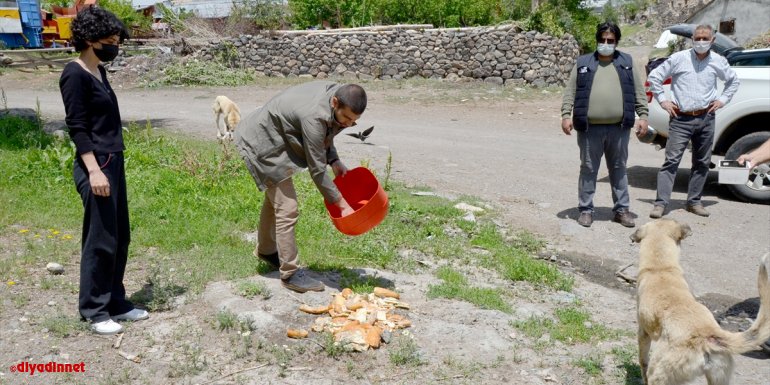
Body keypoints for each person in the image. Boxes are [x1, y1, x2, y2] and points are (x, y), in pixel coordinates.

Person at [59, 6, 148, 335]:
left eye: (117, 40)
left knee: (119, 234)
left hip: (114, 160)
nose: (115, 46)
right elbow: (78, 128)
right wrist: (94, 171)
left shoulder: (99, 71)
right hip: (96, 164)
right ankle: (94, 310)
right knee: (100, 239)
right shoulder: (74, 73)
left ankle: (116, 302)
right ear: (89, 39)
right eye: (110, 40)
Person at [235, 81, 366, 293]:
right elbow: (316, 169)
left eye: (354, 121)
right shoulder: (314, 116)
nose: (349, 125)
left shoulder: (335, 99)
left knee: (276, 200)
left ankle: (267, 250)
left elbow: (328, 129)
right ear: (335, 103)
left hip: (277, 137)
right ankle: (290, 274)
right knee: (288, 208)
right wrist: (340, 202)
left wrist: (334, 160)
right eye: (347, 118)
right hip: (263, 143)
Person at [561, 21, 649, 228]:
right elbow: (570, 91)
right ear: (597, 41)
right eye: (602, 40)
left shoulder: (626, 62)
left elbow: (639, 91)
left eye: (610, 40)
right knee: (589, 168)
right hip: (589, 128)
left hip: (619, 128)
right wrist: (566, 114)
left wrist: (643, 115)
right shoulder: (583, 62)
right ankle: (586, 210)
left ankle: (621, 210)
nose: (606, 44)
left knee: (619, 168)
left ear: (617, 42)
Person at [647, 24, 739, 219]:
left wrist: (722, 100)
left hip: (706, 118)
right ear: (692, 39)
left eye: (705, 38)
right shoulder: (679, 58)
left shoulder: (718, 61)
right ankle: (661, 203)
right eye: (698, 38)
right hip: (681, 118)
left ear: (712, 41)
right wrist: (663, 101)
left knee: (702, 162)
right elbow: (655, 76)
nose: (701, 42)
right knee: (671, 161)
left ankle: (694, 201)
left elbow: (733, 81)